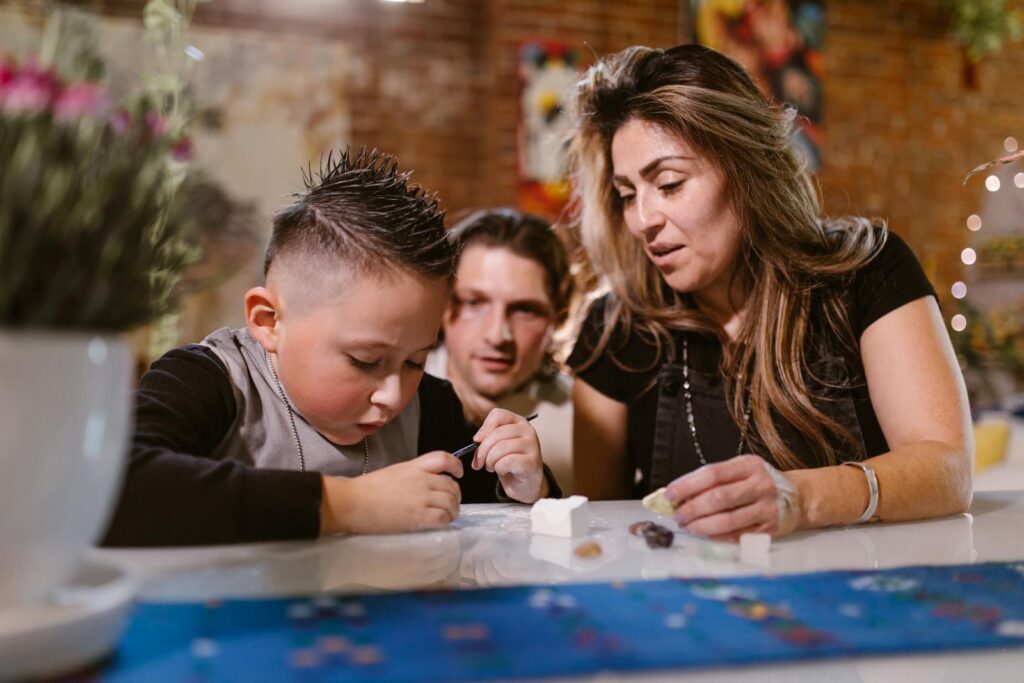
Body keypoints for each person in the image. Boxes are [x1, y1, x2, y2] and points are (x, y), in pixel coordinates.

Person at [564, 44, 973, 540]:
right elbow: (601, 531)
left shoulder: (866, 270)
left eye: (669, 184)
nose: (643, 219)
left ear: (745, 169)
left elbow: (947, 469)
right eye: (628, 195)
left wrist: (801, 499)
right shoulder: (617, 329)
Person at [102, 148, 558, 547]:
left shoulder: (431, 406)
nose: (394, 397)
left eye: (416, 360)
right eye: (365, 361)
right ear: (269, 321)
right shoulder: (210, 381)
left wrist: (527, 487)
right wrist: (349, 505)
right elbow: (115, 489)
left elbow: (496, 534)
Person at [425, 209, 575, 491]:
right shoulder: (395, 398)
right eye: (475, 303)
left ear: (557, 319)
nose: (497, 336)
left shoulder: (583, 424)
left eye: (525, 310)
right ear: (442, 305)